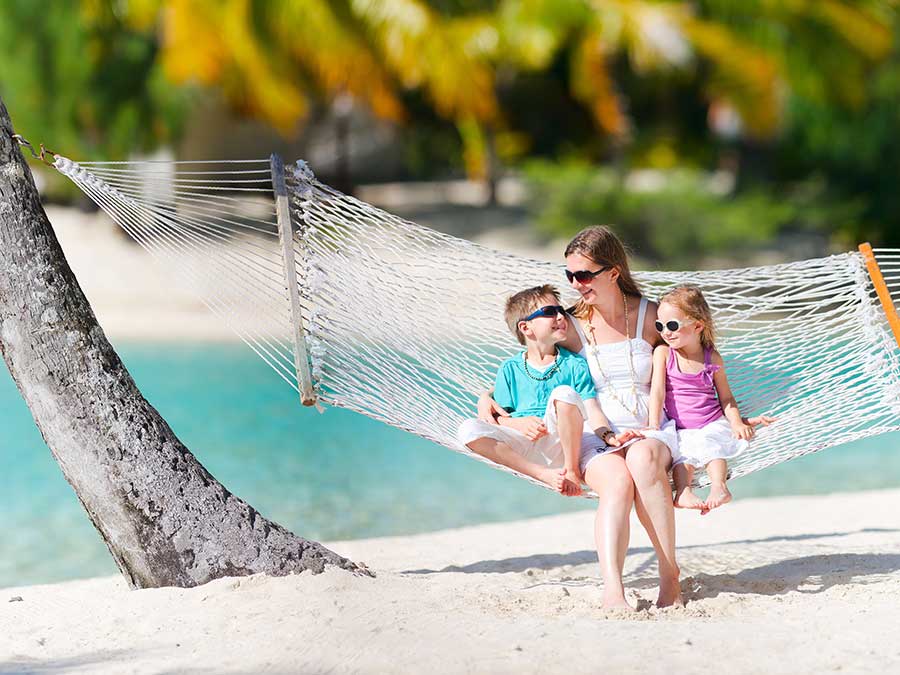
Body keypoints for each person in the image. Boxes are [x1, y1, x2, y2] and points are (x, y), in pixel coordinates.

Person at [479, 226, 682, 610]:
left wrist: (722, 413)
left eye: (583, 275)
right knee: (618, 481)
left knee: (642, 459)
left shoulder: (651, 315)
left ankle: (669, 574)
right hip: (594, 431)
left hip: (649, 426)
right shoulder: (569, 323)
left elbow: (692, 355)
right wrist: (485, 398)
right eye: (569, 275)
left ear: (613, 272)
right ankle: (613, 589)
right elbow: (530, 362)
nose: (575, 284)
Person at [458, 284, 627, 497]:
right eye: (549, 312)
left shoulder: (574, 364)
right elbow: (497, 417)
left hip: (562, 445)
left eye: (560, 311)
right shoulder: (510, 368)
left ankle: (572, 473)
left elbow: (590, 408)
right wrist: (516, 423)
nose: (559, 316)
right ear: (525, 328)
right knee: (468, 429)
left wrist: (608, 435)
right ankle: (542, 474)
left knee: (564, 393)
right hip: (523, 444)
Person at [648, 285, 774, 514]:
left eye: (673, 325)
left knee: (711, 444)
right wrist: (653, 424)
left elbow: (726, 398)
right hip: (680, 428)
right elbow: (657, 391)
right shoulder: (663, 354)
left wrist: (737, 422)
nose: (665, 332)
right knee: (681, 456)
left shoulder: (711, 358)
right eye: (660, 325)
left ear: (697, 325)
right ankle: (683, 491)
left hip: (711, 422)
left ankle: (719, 487)